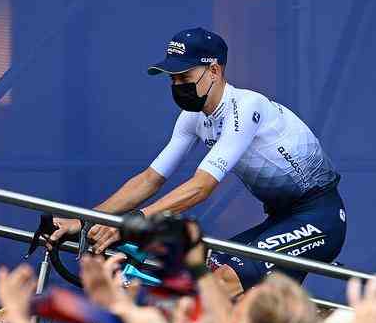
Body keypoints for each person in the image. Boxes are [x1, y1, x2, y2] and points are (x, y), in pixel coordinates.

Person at [51, 27, 345, 297]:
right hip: (279, 219)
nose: (177, 85)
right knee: (205, 279)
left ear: (214, 71)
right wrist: (86, 219)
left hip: (319, 218)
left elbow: (201, 187)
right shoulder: (192, 119)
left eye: (185, 77)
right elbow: (150, 179)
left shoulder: (246, 107)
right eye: (173, 79)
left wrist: (135, 223)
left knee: (219, 285)